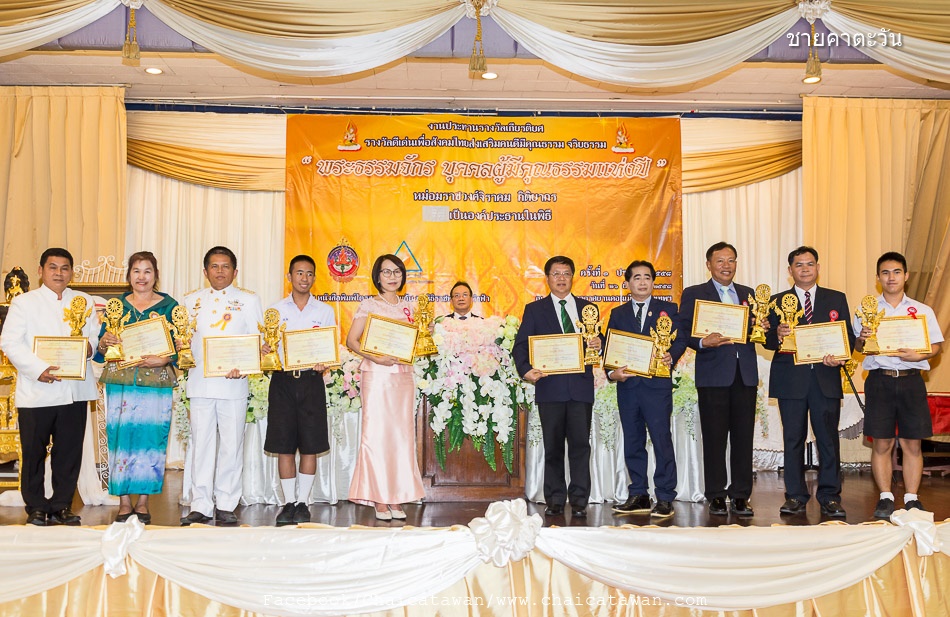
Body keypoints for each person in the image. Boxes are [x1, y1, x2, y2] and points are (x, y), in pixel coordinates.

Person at [0, 248, 100, 526]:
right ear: (41, 270)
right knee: (33, 452)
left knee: (68, 452)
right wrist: (38, 369)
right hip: (37, 390)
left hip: (74, 390)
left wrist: (89, 348)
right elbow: (9, 342)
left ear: (72, 272)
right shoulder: (24, 303)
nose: (59, 273)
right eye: (53, 267)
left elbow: (93, 336)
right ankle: (35, 507)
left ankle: (61, 505)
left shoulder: (83, 300)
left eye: (65, 268)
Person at [764, 246, 854, 518]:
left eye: (810, 264)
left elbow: (847, 337)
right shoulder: (777, 301)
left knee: (828, 440)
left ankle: (830, 496)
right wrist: (778, 334)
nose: (805, 269)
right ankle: (795, 496)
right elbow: (765, 340)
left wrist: (839, 357)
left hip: (825, 379)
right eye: (799, 265)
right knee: (793, 439)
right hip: (790, 380)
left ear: (818, 267)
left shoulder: (836, 298)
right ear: (790, 270)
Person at [854, 252, 943, 520]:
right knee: (881, 443)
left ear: (906, 276)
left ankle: (912, 498)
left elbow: (936, 346)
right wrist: (862, 338)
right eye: (885, 272)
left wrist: (919, 355)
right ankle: (885, 497)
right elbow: (858, 347)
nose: (891, 277)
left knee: (912, 443)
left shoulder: (922, 310)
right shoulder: (866, 310)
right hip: (879, 380)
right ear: (878, 277)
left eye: (896, 272)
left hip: (911, 380)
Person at [678, 242, 764, 517]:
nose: (726, 266)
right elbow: (684, 331)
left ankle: (740, 496)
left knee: (743, 438)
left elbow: (756, 333)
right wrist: (703, 342)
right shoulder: (694, 294)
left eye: (731, 260)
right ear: (709, 264)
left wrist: (761, 327)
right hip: (713, 375)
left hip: (744, 375)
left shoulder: (749, 294)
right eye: (720, 261)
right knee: (714, 438)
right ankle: (715, 494)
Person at [513, 256, 602, 518]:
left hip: (580, 389)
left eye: (566, 273)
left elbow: (599, 340)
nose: (561, 278)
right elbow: (520, 346)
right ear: (547, 278)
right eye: (556, 274)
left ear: (573, 277)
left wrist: (599, 343)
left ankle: (579, 501)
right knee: (552, 447)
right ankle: (554, 499)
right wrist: (525, 370)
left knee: (580, 447)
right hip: (550, 388)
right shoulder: (534, 310)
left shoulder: (588, 309)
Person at [180, 246, 263, 526]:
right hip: (201, 384)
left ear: (235, 272)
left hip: (233, 384)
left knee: (231, 445)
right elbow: (184, 342)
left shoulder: (249, 300)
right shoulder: (190, 301)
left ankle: (227, 503)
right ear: (205, 271)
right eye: (214, 266)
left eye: (225, 266)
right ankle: (200, 504)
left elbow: (259, 342)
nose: (220, 271)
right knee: (201, 445)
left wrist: (246, 365)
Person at [95, 251, 179, 524]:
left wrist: (165, 359)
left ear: (156, 275)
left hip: (156, 383)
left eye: (147, 271)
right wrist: (104, 343)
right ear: (129, 275)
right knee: (120, 439)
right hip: (121, 382)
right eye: (136, 271)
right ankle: (123, 501)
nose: (142, 277)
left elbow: (181, 345)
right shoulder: (116, 306)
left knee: (151, 440)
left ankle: (143, 502)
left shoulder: (169, 306)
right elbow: (100, 349)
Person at [345, 254, 424, 521]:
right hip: (377, 375)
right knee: (377, 435)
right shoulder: (369, 304)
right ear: (377, 276)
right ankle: (379, 498)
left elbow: (414, 343)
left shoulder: (410, 307)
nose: (392, 277)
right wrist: (376, 357)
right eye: (386, 272)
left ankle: (397, 496)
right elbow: (352, 340)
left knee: (401, 436)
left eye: (397, 272)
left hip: (403, 376)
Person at [608, 260, 686, 518]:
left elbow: (681, 339)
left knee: (662, 440)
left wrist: (671, 355)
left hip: (656, 388)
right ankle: (639, 493)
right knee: (633, 441)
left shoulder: (668, 309)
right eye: (637, 277)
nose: (642, 282)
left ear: (653, 282)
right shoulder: (618, 313)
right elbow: (610, 347)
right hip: (629, 387)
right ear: (628, 283)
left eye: (647, 277)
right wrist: (612, 373)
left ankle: (665, 496)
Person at [262, 255, 335, 526]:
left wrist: (325, 361)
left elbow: (329, 346)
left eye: (309, 273)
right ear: (289, 277)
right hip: (282, 382)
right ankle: (288, 503)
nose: (304, 278)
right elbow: (266, 346)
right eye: (299, 273)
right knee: (283, 446)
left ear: (314, 277)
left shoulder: (324, 311)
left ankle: (303, 502)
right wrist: (264, 349)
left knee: (310, 445)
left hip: (311, 381)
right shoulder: (275, 310)